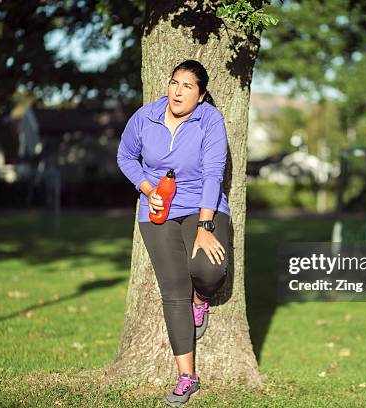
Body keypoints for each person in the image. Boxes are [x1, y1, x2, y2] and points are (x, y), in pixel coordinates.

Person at [117, 60, 231, 407]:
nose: (178, 92)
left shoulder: (209, 119)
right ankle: (187, 377)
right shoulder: (145, 117)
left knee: (208, 270)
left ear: (201, 95)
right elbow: (125, 157)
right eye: (174, 83)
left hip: (202, 205)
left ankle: (202, 299)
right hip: (157, 210)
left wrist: (205, 226)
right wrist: (147, 187)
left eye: (187, 87)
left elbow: (213, 173)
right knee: (173, 291)